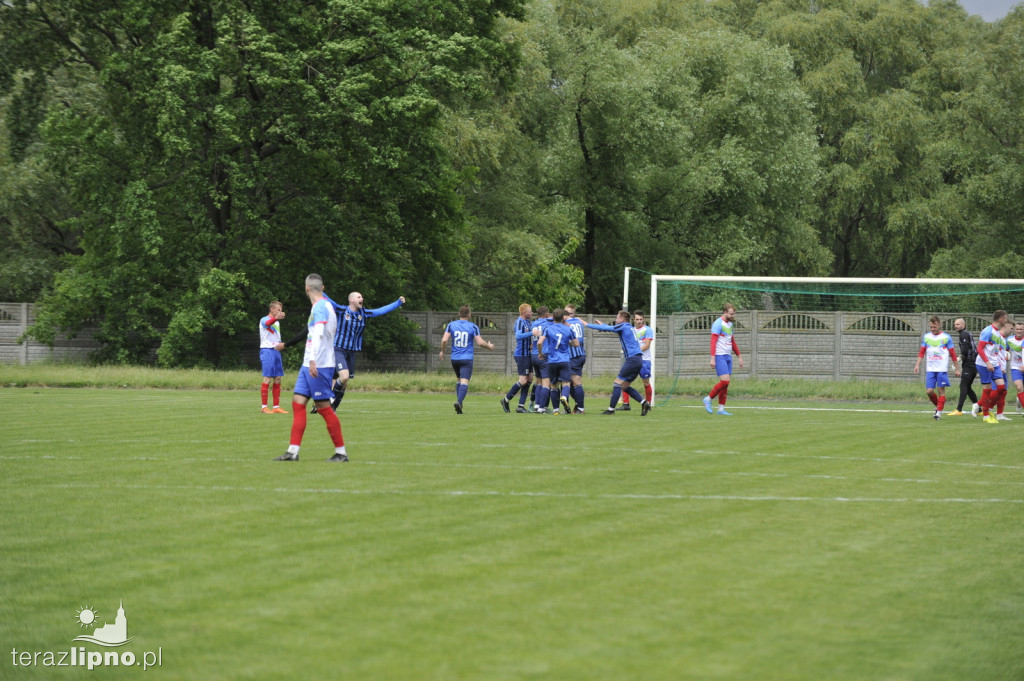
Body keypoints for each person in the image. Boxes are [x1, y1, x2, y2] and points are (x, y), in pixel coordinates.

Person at [275, 274, 348, 462]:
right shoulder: (321, 306)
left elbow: (319, 333)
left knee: (323, 407)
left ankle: (341, 453)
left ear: (306, 288)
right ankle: (292, 452)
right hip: (309, 364)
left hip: (319, 365)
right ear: (322, 287)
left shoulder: (322, 307)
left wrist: (314, 360)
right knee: (298, 402)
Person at [584, 310, 651, 416]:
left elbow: (608, 329)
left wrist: (586, 324)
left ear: (622, 319)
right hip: (638, 359)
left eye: (617, 317)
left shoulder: (623, 326)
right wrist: (602, 325)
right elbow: (610, 329)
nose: (616, 319)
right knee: (625, 386)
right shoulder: (628, 327)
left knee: (617, 383)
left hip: (633, 360)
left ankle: (611, 410)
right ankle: (644, 403)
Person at [439, 305, 495, 413]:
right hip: (466, 358)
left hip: (454, 358)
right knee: (465, 381)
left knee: (459, 380)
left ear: (459, 314)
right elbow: (479, 342)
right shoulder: (473, 326)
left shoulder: (451, 325)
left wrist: (442, 351)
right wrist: (489, 346)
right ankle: (459, 402)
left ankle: (460, 405)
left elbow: (444, 340)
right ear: (469, 315)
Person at [913, 316, 960, 420]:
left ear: (939, 325)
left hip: (942, 369)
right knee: (929, 391)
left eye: (934, 327)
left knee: (940, 390)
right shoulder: (926, 337)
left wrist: (957, 368)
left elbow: (952, 354)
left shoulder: (946, 337)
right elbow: (922, 352)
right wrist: (917, 365)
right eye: (931, 327)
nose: (932, 329)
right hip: (930, 369)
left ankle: (938, 413)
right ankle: (938, 407)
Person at [703, 303, 745, 416]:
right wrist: (712, 358)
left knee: (725, 384)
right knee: (725, 381)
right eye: (731, 314)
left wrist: (739, 356)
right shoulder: (718, 323)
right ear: (725, 312)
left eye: (734, 314)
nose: (733, 316)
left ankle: (721, 409)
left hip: (728, 356)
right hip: (719, 355)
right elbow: (713, 342)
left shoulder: (730, 324)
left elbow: (732, 341)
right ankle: (708, 398)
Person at [537, 309, 579, 414]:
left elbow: (539, 342)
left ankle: (556, 410)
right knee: (566, 383)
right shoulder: (568, 329)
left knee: (554, 385)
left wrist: (540, 353)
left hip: (552, 360)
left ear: (553, 318)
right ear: (563, 318)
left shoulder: (548, 328)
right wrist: (568, 343)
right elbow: (577, 344)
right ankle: (564, 396)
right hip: (564, 360)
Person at [974, 309, 1009, 424]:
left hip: (995, 364)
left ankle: (979, 405)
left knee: (1001, 388)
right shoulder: (988, 331)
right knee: (988, 389)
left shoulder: (998, 332)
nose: (1007, 320)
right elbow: (979, 348)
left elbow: (996, 350)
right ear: (1000, 319)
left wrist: (1000, 362)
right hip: (984, 364)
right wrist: (987, 363)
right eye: (1005, 318)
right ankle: (985, 415)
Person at [501, 303, 535, 414]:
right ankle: (506, 399)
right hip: (521, 354)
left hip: (528, 354)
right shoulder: (520, 321)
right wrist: (532, 333)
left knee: (529, 379)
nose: (531, 313)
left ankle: (521, 405)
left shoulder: (528, 322)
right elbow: (518, 336)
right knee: (523, 380)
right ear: (524, 312)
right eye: (530, 311)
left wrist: (531, 343)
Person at [619, 311, 654, 411]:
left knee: (646, 382)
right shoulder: (631, 330)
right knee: (624, 380)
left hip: (644, 360)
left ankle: (648, 404)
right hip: (633, 360)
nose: (639, 321)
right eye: (637, 319)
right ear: (633, 320)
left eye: (641, 319)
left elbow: (647, 345)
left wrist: (635, 352)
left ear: (644, 320)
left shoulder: (647, 330)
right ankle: (626, 404)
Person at [259, 301, 288, 414]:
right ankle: (264, 407)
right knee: (267, 378)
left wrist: (281, 344)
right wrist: (276, 318)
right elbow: (268, 323)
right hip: (267, 351)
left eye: (281, 310)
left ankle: (276, 407)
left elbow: (274, 336)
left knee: (278, 378)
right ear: (272, 309)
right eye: (278, 310)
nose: (280, 312)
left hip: (276, 351)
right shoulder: (264, 319)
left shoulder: (277, 322)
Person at [949, 318, 978, 416]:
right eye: (955, 324)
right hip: (973, 363)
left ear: (963, 325)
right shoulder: (967, 333)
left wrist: (958, 359)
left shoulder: (963, 334)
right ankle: (979, 409)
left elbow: (965, 350)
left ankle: (959, 409)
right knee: (968, 387)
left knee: (963, 385)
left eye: (958, 324)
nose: (955, 326)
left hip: (969, 363)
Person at [564, 304, 588, 414]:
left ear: (573, 314)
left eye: (570, 314)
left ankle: (580, 408)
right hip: (579, 355)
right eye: (566, 313)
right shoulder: (578, 323)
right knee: (568, 382)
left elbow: (577, 341)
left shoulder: (570, 325)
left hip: (574, 356)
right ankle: (577, 406)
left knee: (575, 383)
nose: (567, 316)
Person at [530, 306, 553, 413]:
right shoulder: (547, 323)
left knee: (538, 381)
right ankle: (541, 407)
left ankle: (536, 405)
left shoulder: (533, 324)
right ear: (546, 314)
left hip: (533, 355)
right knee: (546, 382)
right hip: (543, 354)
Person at [1007, 321, 1024, 418]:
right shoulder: (1009, 340)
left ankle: (1020, 399)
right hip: (1015, 367)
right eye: (1017, 329)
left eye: (1021, 329)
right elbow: (1005, 351)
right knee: (1019, 387)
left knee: (1022, 390)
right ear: (1014, 330)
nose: (1019, 331)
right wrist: (1006, 355)